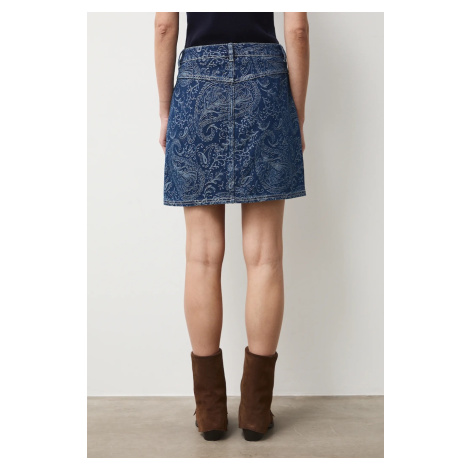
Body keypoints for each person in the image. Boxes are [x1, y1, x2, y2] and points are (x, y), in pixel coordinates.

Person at [154, 12, 309, 441]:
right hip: (267, 86)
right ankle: (256, 412)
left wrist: (166, 110)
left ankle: (210, 413)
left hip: (196, 85)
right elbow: (297, 30)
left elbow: (165, 26)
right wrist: (295, 114)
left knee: (201, 258)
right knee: (265, 258)